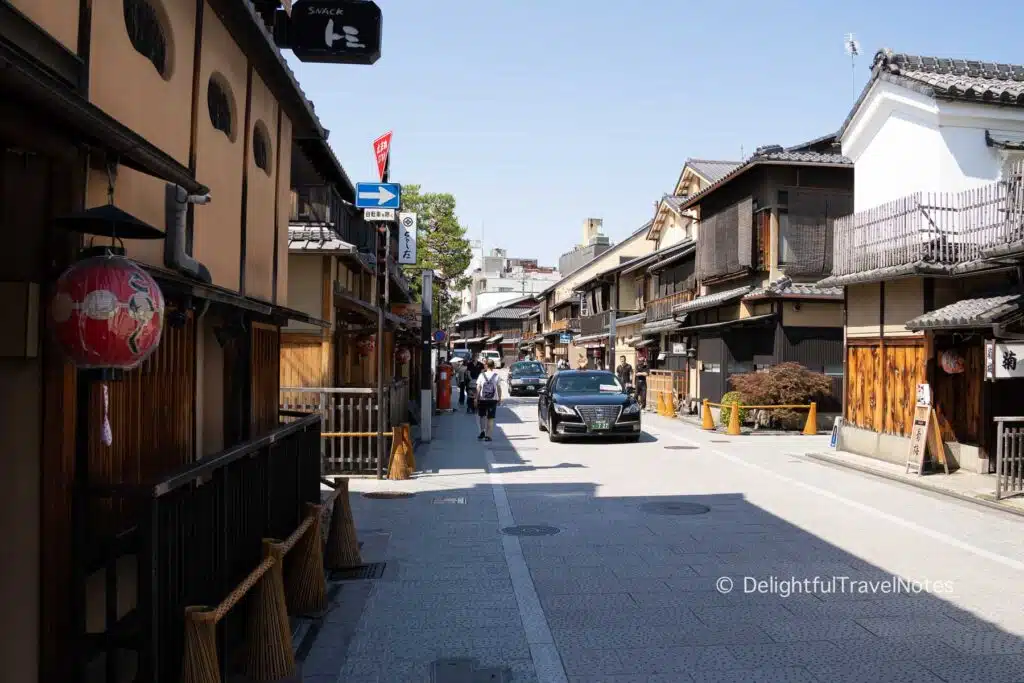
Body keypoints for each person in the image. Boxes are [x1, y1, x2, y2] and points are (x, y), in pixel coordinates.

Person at [476, 359, 502, 441]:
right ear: (493, 366)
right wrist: (499, 398)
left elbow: (478, 387)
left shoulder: (481, 375)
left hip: (482, 399)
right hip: (492, 399)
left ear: (486, 365)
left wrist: (476, 398)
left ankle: (482, 431)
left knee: (482, 416)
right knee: (490, 418)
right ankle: (488, 435)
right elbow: (499, 388)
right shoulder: (496, 376)